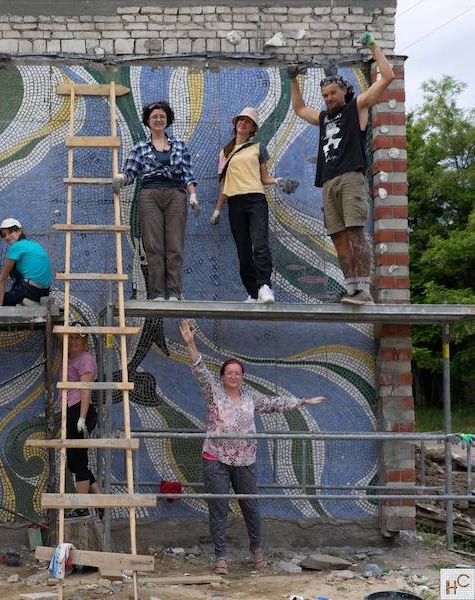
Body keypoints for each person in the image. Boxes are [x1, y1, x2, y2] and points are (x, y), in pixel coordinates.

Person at [179, 319, 325, 575]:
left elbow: (275, 402)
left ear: (242, 377)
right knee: (219, 508)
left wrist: (303, 401)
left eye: (238, 373)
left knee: (251, 507)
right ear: (222, 376)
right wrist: (191, 343)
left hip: (245, 460)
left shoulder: (250, 397)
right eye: (229, 372)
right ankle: (221, 557)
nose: (234, 376)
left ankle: (257, 551)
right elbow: (199, 369)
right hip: (215, 457)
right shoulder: (213, 391)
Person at [289, 33, 395, 305]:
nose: (328, 98)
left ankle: (364, 291)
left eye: (332, 93)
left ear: (344, 92)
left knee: (355, 231)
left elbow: (388, 76)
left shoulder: (356, 107)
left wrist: (374, 47)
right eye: (324, 95)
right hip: (328, 182)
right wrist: (293, 79)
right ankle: (351, 289)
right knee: (338, 238)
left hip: (351, 178)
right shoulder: (324, 118)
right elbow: (300, 109)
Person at [210, 107, 299, 304]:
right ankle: (252, 292)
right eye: (240, 120)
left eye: (247, 121)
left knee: (260, 244)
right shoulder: (224, 152)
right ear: (236, 124)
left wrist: (278, 181)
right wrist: (217, 209)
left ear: (253, 128)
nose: (243, 123)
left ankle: (265, 287)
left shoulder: (258, 148)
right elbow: (224, 183)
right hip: (234, 201)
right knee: (243, 250)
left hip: (256, 199)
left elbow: (264, 177)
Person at [113, 101, 198, 302]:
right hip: (149, 195)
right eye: (154, 117)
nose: (158, 120)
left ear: (167, 119)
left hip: (176, 194)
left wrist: (192, 194)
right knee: (153, 246)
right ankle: (158, 293)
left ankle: (174, 293)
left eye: (162, 116)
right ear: (148, 121)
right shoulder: (140, 147)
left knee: (174, 246)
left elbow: (187, 173)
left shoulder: (179, 145)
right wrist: (121, 179)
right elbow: (131, 172)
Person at [59, 324, 102, 518]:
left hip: (80, 410)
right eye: (72, 338)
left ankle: (82, 507)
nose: (74, 341)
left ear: (85, 342)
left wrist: (82, 418)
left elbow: (85, 390)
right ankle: (100, 501)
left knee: (79, 460)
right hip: (71, 410)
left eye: (78, 338)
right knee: (74, 462)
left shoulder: (85, 360)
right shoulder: (70, 357)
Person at [0, 218, 52, 306]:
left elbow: (2, 279)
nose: (7, 237)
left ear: (19, 231)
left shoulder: (16, 246)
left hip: (29, 290)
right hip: (44, 292)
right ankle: (27, 301)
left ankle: (26, 300)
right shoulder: (34, 244)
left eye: (10, 232)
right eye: (4, 235)